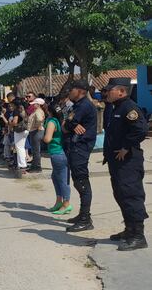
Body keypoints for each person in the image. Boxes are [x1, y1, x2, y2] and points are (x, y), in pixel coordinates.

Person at [103, 78, 148, 250]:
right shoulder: (117, 107)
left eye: (110, 90)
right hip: (117, 162)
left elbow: (140, 130)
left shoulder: (129, 108)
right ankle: (129, 230)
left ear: (121, 91)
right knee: (121, 194)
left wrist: (126, 147)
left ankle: (138, 235)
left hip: (128, 161)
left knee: (131, 195)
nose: (107, 93)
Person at [62, 79, 98, 232]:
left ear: (80, 91)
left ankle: (85, 219)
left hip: (80, 148)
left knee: (82, 182)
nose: (69, 92)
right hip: (75, 147)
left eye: (72, 89)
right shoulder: (77, 106)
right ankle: (83, 215)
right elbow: (66, 125)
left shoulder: (84, 106)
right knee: (78, 181)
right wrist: (70, 125)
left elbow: (67, 125)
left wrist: (70, 125)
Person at [43, 102, 71, 215]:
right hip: (59, 152)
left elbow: (47, 139)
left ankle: (66, 204)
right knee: (55, 177)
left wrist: (43, 134)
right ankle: (59, 201)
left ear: (49, 111)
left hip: (57, 153)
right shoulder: (60, 121)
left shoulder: (51, 122)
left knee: (62, 180)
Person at [27, 98, 46, 173]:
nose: (33, 105)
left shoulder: (38, 111)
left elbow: (39, 119)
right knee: (35, 150)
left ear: (38, 104)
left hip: (36, 131)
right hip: (36, 131)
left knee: (36, 150)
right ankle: (35, 165)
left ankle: (37, 167)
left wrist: (37, 126)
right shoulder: (38, 111)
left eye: (35, 103)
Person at [9, 100, 28, 174]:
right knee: (21, 147)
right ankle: (22, 164)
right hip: (25, 129)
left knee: (19, 147)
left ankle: (22, 165)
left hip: (19, 130)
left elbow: (15, 122)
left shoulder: (16, 111)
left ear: (14, 105)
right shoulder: (23, 109)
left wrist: (9, 123)